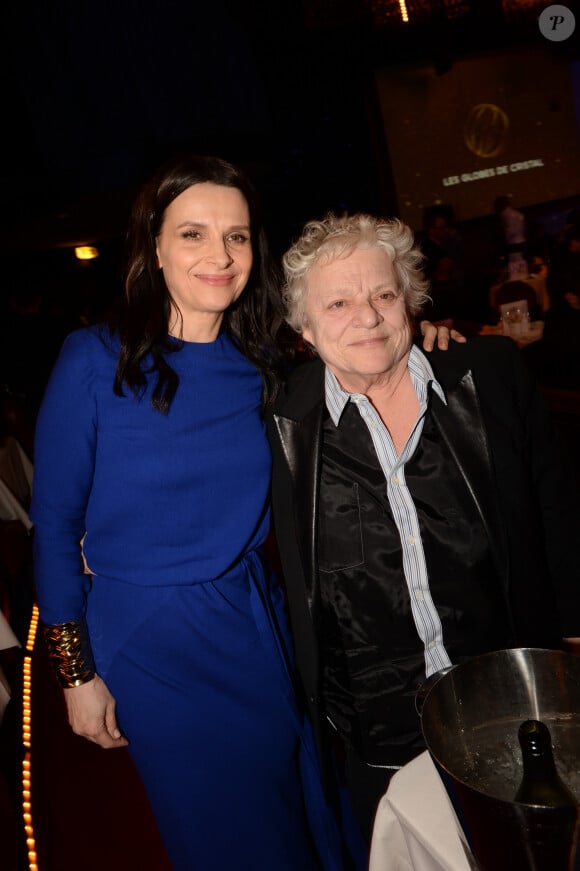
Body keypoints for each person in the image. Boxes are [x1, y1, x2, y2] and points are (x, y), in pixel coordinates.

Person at [31, 153, 366, 871]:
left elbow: (370, 353)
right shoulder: (94, 359)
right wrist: (75, 675)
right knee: (235, 837)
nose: (219, 254)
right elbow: (54, 528)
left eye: (237, 236)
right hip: (154, 639)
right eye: (193, 234)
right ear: (154, 246)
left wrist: (437, 347)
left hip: (257, 618)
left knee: (308, 806)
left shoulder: (266, 364)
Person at [267, 211, 580, 847]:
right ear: (303, 326)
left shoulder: (488, 375)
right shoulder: (276, 422)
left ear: (411, 300)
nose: (368, 316)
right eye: (339, 301)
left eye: (384, 294)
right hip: (374, 729)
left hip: (511, 705)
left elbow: (558, 509)